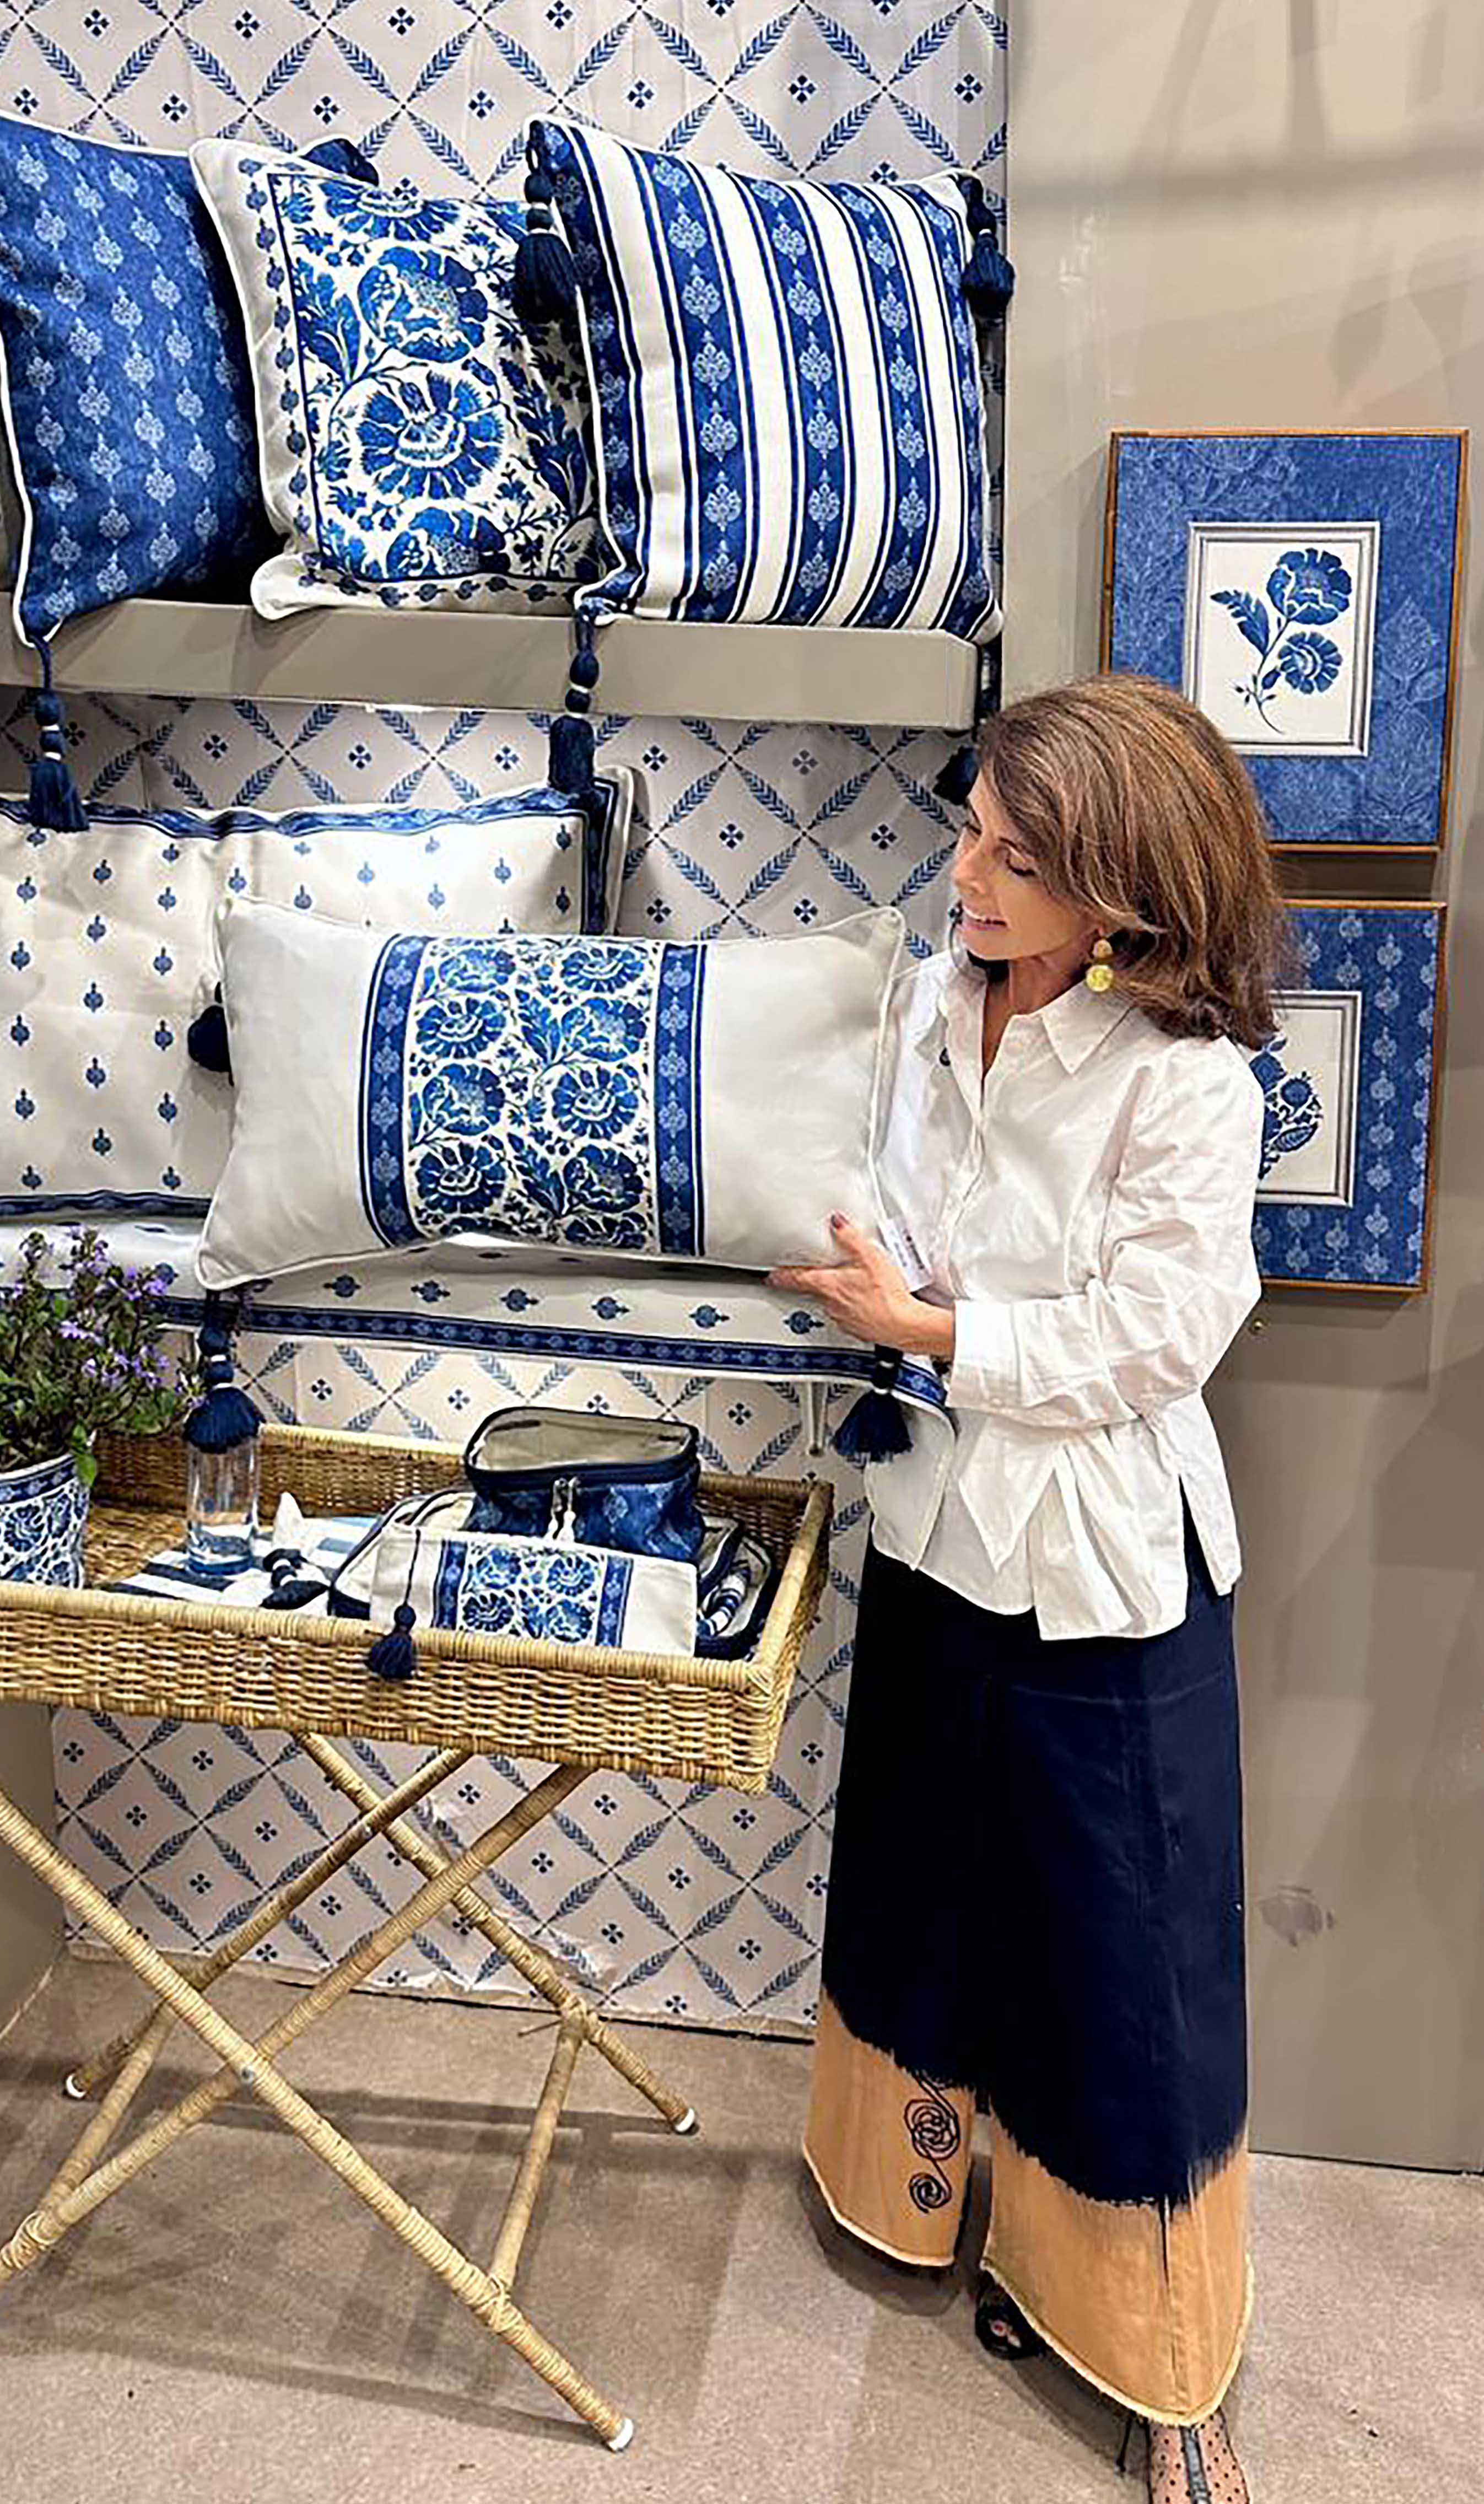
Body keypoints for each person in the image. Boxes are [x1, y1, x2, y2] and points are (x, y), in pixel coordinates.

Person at [773, 674, 1287, 2504]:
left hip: (1104, 1573)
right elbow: (870, 1192)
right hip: (935, 1528)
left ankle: (1167, 2365)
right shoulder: (926, 1005)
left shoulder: (1187, 1080)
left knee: (1128, 1961)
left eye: (1014, 858)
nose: (965, 875)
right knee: (923, 1892)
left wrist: (932, 1330)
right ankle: (911, 2199)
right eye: (972, 831)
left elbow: (1154, 1342)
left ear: (1124, 893)